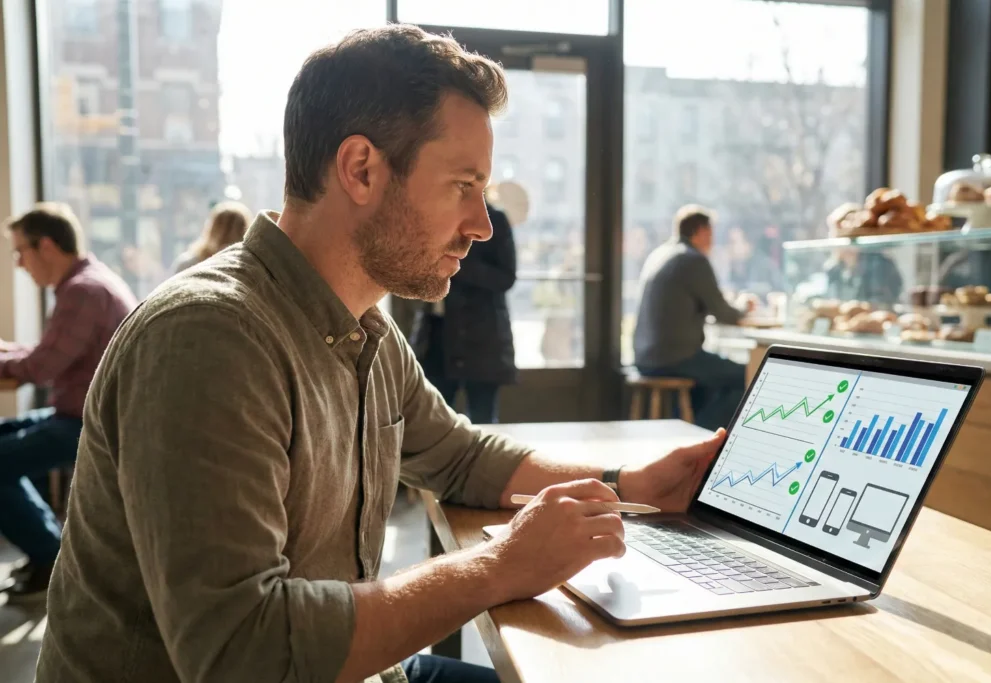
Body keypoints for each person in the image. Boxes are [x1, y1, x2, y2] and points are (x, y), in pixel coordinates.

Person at [36, 26, 725, 683]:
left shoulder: (365, 331)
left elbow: (457, 455)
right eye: (463, 186)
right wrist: (500, 567)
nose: (481, 226)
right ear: (361, 168)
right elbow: (243, 652)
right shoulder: (209, 338)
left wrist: (626, 484)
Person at [0, 202, 136, 602]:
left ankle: (50, 557)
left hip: (89, 423)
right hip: (77, 412)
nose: (19, 263)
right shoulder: (87, 283)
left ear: (45, 246)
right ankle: (47, 553)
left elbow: (41, 367)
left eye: (19, 251)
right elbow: (51, 355)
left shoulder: (82, 291)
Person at [632, 205, 750, 431]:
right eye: (712, 234)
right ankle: (701, 436)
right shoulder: (693, 260)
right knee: (749, 375)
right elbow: (724, 313)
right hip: (675, 357)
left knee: (712, 381)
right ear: (703, 231)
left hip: (645, 357)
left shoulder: (659, 254)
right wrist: (744, 307)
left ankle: (685, 429)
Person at [410, 201, 517, 424]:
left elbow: (506, 277)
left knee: (482, 420)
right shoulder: (431, 214)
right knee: (434, 420)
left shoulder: (494, 220)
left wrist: (456, 264)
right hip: (436, 334)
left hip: (481, 335)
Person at [171, 200, 253, 273]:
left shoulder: (187, 264)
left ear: (210, 229)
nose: (227, 234)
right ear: (246, 231)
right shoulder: (249, 270)